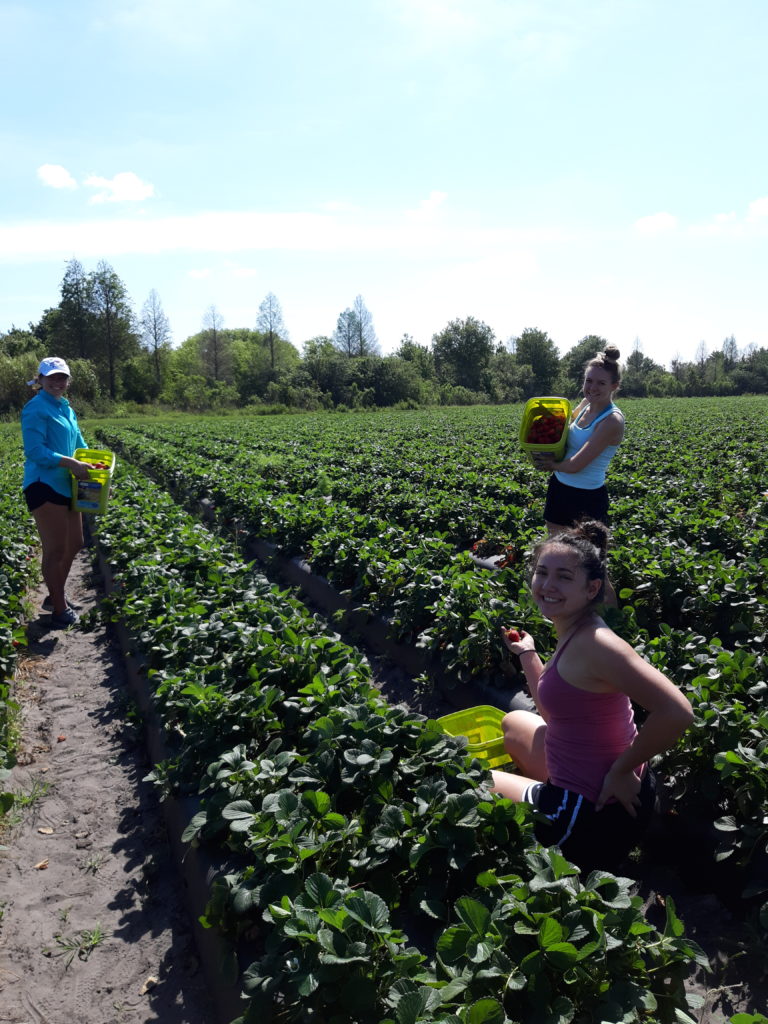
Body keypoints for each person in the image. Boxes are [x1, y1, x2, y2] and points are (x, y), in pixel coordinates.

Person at [491, 520, 693, 873]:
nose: (548, 586)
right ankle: (549, 790)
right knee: (514, 722)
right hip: (615, 791)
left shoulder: (598, 644)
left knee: (476, 783)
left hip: (590, 816)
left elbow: (677, 712)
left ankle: (551, 812)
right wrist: (528, 653)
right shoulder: (575, 630)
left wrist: (621, 769)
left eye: (564, 577)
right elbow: (557, 715)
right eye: (542, 573)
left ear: (592, 588)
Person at [532, 344, 625, 605]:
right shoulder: (586, 405)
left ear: (614, 386)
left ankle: (613, 624)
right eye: (588, 381)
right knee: (557, 558)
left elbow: (576, 464)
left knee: (594, 568)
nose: (592, 387)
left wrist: (551, 463)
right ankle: (566, 612)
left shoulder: (611, 421)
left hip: (587, 499)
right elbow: (565, 428)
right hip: (560, 490)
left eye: (601, 383)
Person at [21, 357, 94, 629]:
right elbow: (35, 451)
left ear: (68, 381)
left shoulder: (65, 408)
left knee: (75, 543)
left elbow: (78, 443)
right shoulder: (35, 409)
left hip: (68, 483)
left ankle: (54, 595)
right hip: (45, 484)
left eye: (61, 377)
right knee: (55, 549)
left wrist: (96, 462)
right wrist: (70, 463)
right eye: (51, 377)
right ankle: (59, 608)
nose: (57, 382)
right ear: (39, 380)